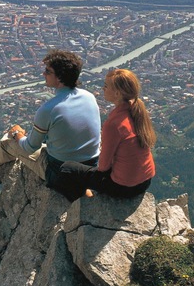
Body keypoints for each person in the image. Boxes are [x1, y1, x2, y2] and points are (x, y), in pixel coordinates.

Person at [0, 49, 101, 191]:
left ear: (59, 77)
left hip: (60, 173)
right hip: (91, 167)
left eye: (48, 71)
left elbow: (30, 147)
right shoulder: (89, 97)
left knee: (6, 142)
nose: (43, 74)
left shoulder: (49, 109)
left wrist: (17, 134)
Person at [57, 68, 156, 201]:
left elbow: (103, 167)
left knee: (66, 169)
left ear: (117, 93)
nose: (103, 89)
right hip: (145, 182)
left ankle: (85, 200)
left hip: (124, 187)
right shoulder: (135, 112)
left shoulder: (115, 124)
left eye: (106, 86)